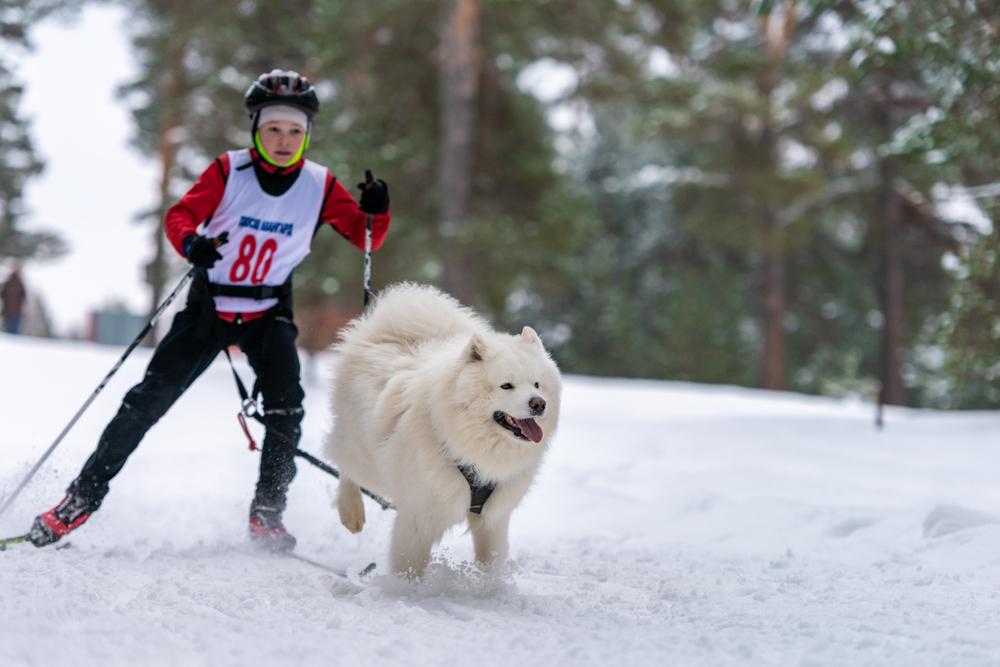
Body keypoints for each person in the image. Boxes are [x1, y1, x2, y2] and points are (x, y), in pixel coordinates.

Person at [26, 69, 391, 552]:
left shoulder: (320, 185)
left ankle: (267, 512)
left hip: (268, 313)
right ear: (256, 130)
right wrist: (191, 242)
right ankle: (79, 499)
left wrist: (377, 210)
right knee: (145, 403)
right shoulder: (229, 170)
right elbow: (179, 216)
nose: (284, 141)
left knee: (287, 407)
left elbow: (367, 237)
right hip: (209, 307)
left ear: (308, 135)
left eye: (295, 132)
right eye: (273, 130)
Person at [1, 264, 27, 334]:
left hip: (8, 311)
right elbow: (24, 297)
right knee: (14, 330)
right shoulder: (19, 284)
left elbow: (2, 295)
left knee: (9, 329)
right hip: (16, 311)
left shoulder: (8, 283)